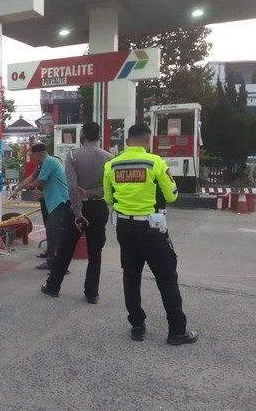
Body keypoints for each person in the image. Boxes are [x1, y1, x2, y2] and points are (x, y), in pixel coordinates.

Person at [103, 123, 197, 345]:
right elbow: (172, 195)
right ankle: (177, 332)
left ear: (127, 142)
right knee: (167, 278)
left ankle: (137, 325)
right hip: (151, 229)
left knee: (131, 276)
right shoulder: (155, 162)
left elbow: (108, 198)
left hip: (125, 228)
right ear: (148, 140)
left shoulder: (111, 165)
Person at [42, 122, 113, 303]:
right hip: (98, 208)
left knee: (65, 249)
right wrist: (91, 193)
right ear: (99, 136)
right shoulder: (109, 158)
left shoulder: (73, 156)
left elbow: (72, 188)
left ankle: (53, 287)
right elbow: (109, 189)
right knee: (95, 252)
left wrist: (77, 212)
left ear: (82, 136)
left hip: (76, 209)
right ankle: (92, 293)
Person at [27, 143, 69, 272]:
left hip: (59, 202)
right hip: (55, 202)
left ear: (36, 155)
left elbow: (40, 181)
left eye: (33, 156)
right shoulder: (50, 161)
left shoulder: (49, 162)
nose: (33, 159)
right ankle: (52, 260)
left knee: (55, 234)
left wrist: (29, 186)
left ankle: (57, 265)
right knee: (52, 233)